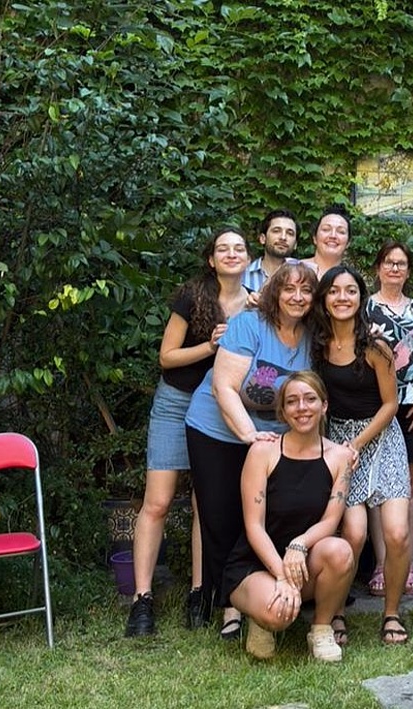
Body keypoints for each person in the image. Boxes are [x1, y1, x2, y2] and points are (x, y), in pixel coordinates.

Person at [125, 228, 250, 637]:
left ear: (248, 258)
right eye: (223, 249)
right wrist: (211, 347)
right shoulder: (192, 296)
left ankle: (200, 592)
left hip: (219, 408)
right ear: (211, 260)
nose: (231, 254)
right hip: (177, 402)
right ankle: (141, 600)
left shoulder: (255, 303)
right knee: (158, 501)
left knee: (206, 504)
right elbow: (166, 357)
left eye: (239, 248)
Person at [185, 262, 316, 639]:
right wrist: (248, 435)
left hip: (271, 438)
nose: (297, 297)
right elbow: (223, 387)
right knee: (221, 515)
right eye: (289, 289)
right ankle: (229, 606)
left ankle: (262, 592)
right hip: (217, 430)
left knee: (265, 518)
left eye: (306, 290)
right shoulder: (249, 324)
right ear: (274, 292)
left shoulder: (312, 336)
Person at [222, 372, 355, 661]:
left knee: (341, 550)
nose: (302, 407)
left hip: (302, 561)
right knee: (278, 613)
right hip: (255, 563)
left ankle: (321, 629)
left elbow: (331, 521)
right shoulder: (263, 452)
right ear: (283, 411)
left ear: (324, 405)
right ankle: (261, 619)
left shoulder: (340, 457)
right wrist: (281, 575)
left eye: (310, 399)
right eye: (292, 401)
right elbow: (254, 526)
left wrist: (300, 544)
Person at [312, 265, 412, 645]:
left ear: (361, 298)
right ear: (324, 298)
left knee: (397, 533)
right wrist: (337, 448)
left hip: (381, 437)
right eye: (334, 291)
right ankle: (335, 611)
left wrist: (356, 444)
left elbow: (391, 404)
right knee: (352, 533)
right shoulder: (317, 346)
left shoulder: (375, 347)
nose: (342, 297)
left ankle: (391, 613)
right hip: (338, 441)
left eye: (350, 291)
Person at [366, 241, 413, 596]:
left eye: (401, 263)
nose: (395, 268)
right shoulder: (364, 308)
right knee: (378, 486)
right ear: (378, 268)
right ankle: (382, 564)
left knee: (411, 484)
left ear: (408, 271)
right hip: (377, 406)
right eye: (389, 262)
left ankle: (407, 563)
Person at [242, 209, 299, 293]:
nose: (283, 237)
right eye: (276, 231)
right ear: (263, 238)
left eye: (290, 233)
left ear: (295, 244)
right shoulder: (242, 276)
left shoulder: (306, 272)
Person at [303, 205, 351, 278]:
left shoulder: (350, 279)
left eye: (341, 232)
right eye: (326, 229)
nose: (333, 236)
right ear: (315, 238)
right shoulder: (293, 268)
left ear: (348, 243)